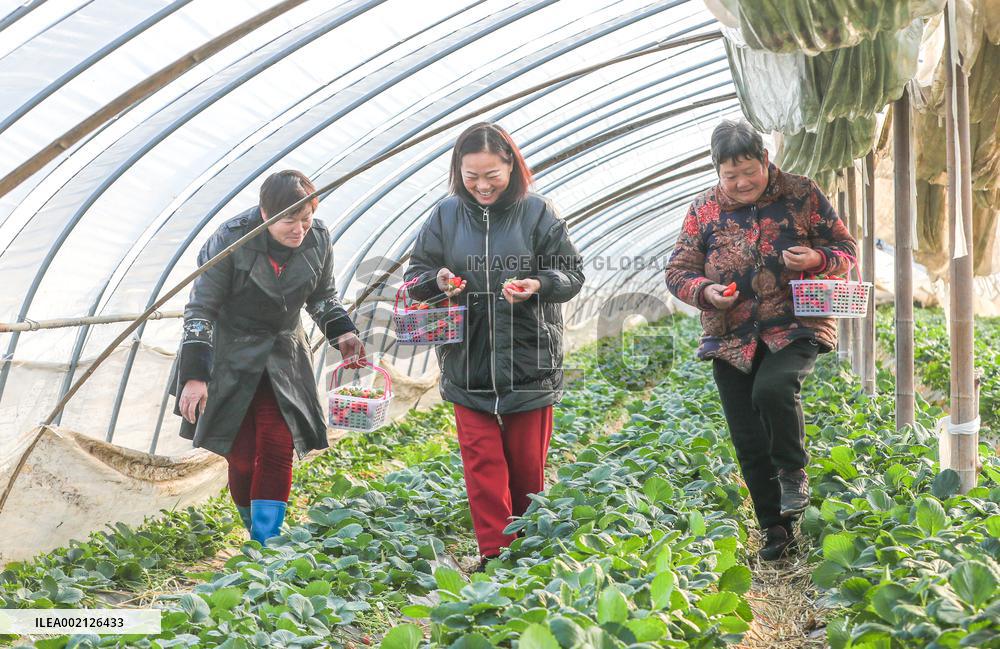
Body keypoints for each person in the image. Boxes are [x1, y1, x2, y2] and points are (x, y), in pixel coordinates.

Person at [665, 120, 856, 561]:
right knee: (748, 439)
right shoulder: (704, 210)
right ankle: (776, 529)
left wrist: (817, 257)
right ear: (717, 172)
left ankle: (793, 471)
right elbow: (677, 271)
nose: (741, 183)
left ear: (765, 160)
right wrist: (705, 292)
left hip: (796, 323)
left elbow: (846, 250)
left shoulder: (801, 193)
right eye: (730, 176)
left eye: (748, 171)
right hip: (729, 337)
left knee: (773, 388)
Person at [404, 122, 584, 571]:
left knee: (526, 467)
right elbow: (416, 276)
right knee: (482, 464)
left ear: (512, 167)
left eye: (492, 175)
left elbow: (572, 275)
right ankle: (495, 555)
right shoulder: (444, 216)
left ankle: (526, 546)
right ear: (458, 172)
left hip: (528, 356)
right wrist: (437, 281)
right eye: (471, 177)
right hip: (468, 358)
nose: (482, 186)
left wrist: (537, 284)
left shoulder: (538, 213)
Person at [172, 170, 366, 545]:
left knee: (278, 446)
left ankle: (267, 541)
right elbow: (201, 310)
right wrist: (194, 376)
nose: (299, 230)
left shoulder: (318, 239)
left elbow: (323, 296)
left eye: (306, 219)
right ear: (265, 213)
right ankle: (254, 528)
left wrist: (342, 331)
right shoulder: (230, 241)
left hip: (283, 355)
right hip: (230, 357)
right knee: (241, 455)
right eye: (289, 221)